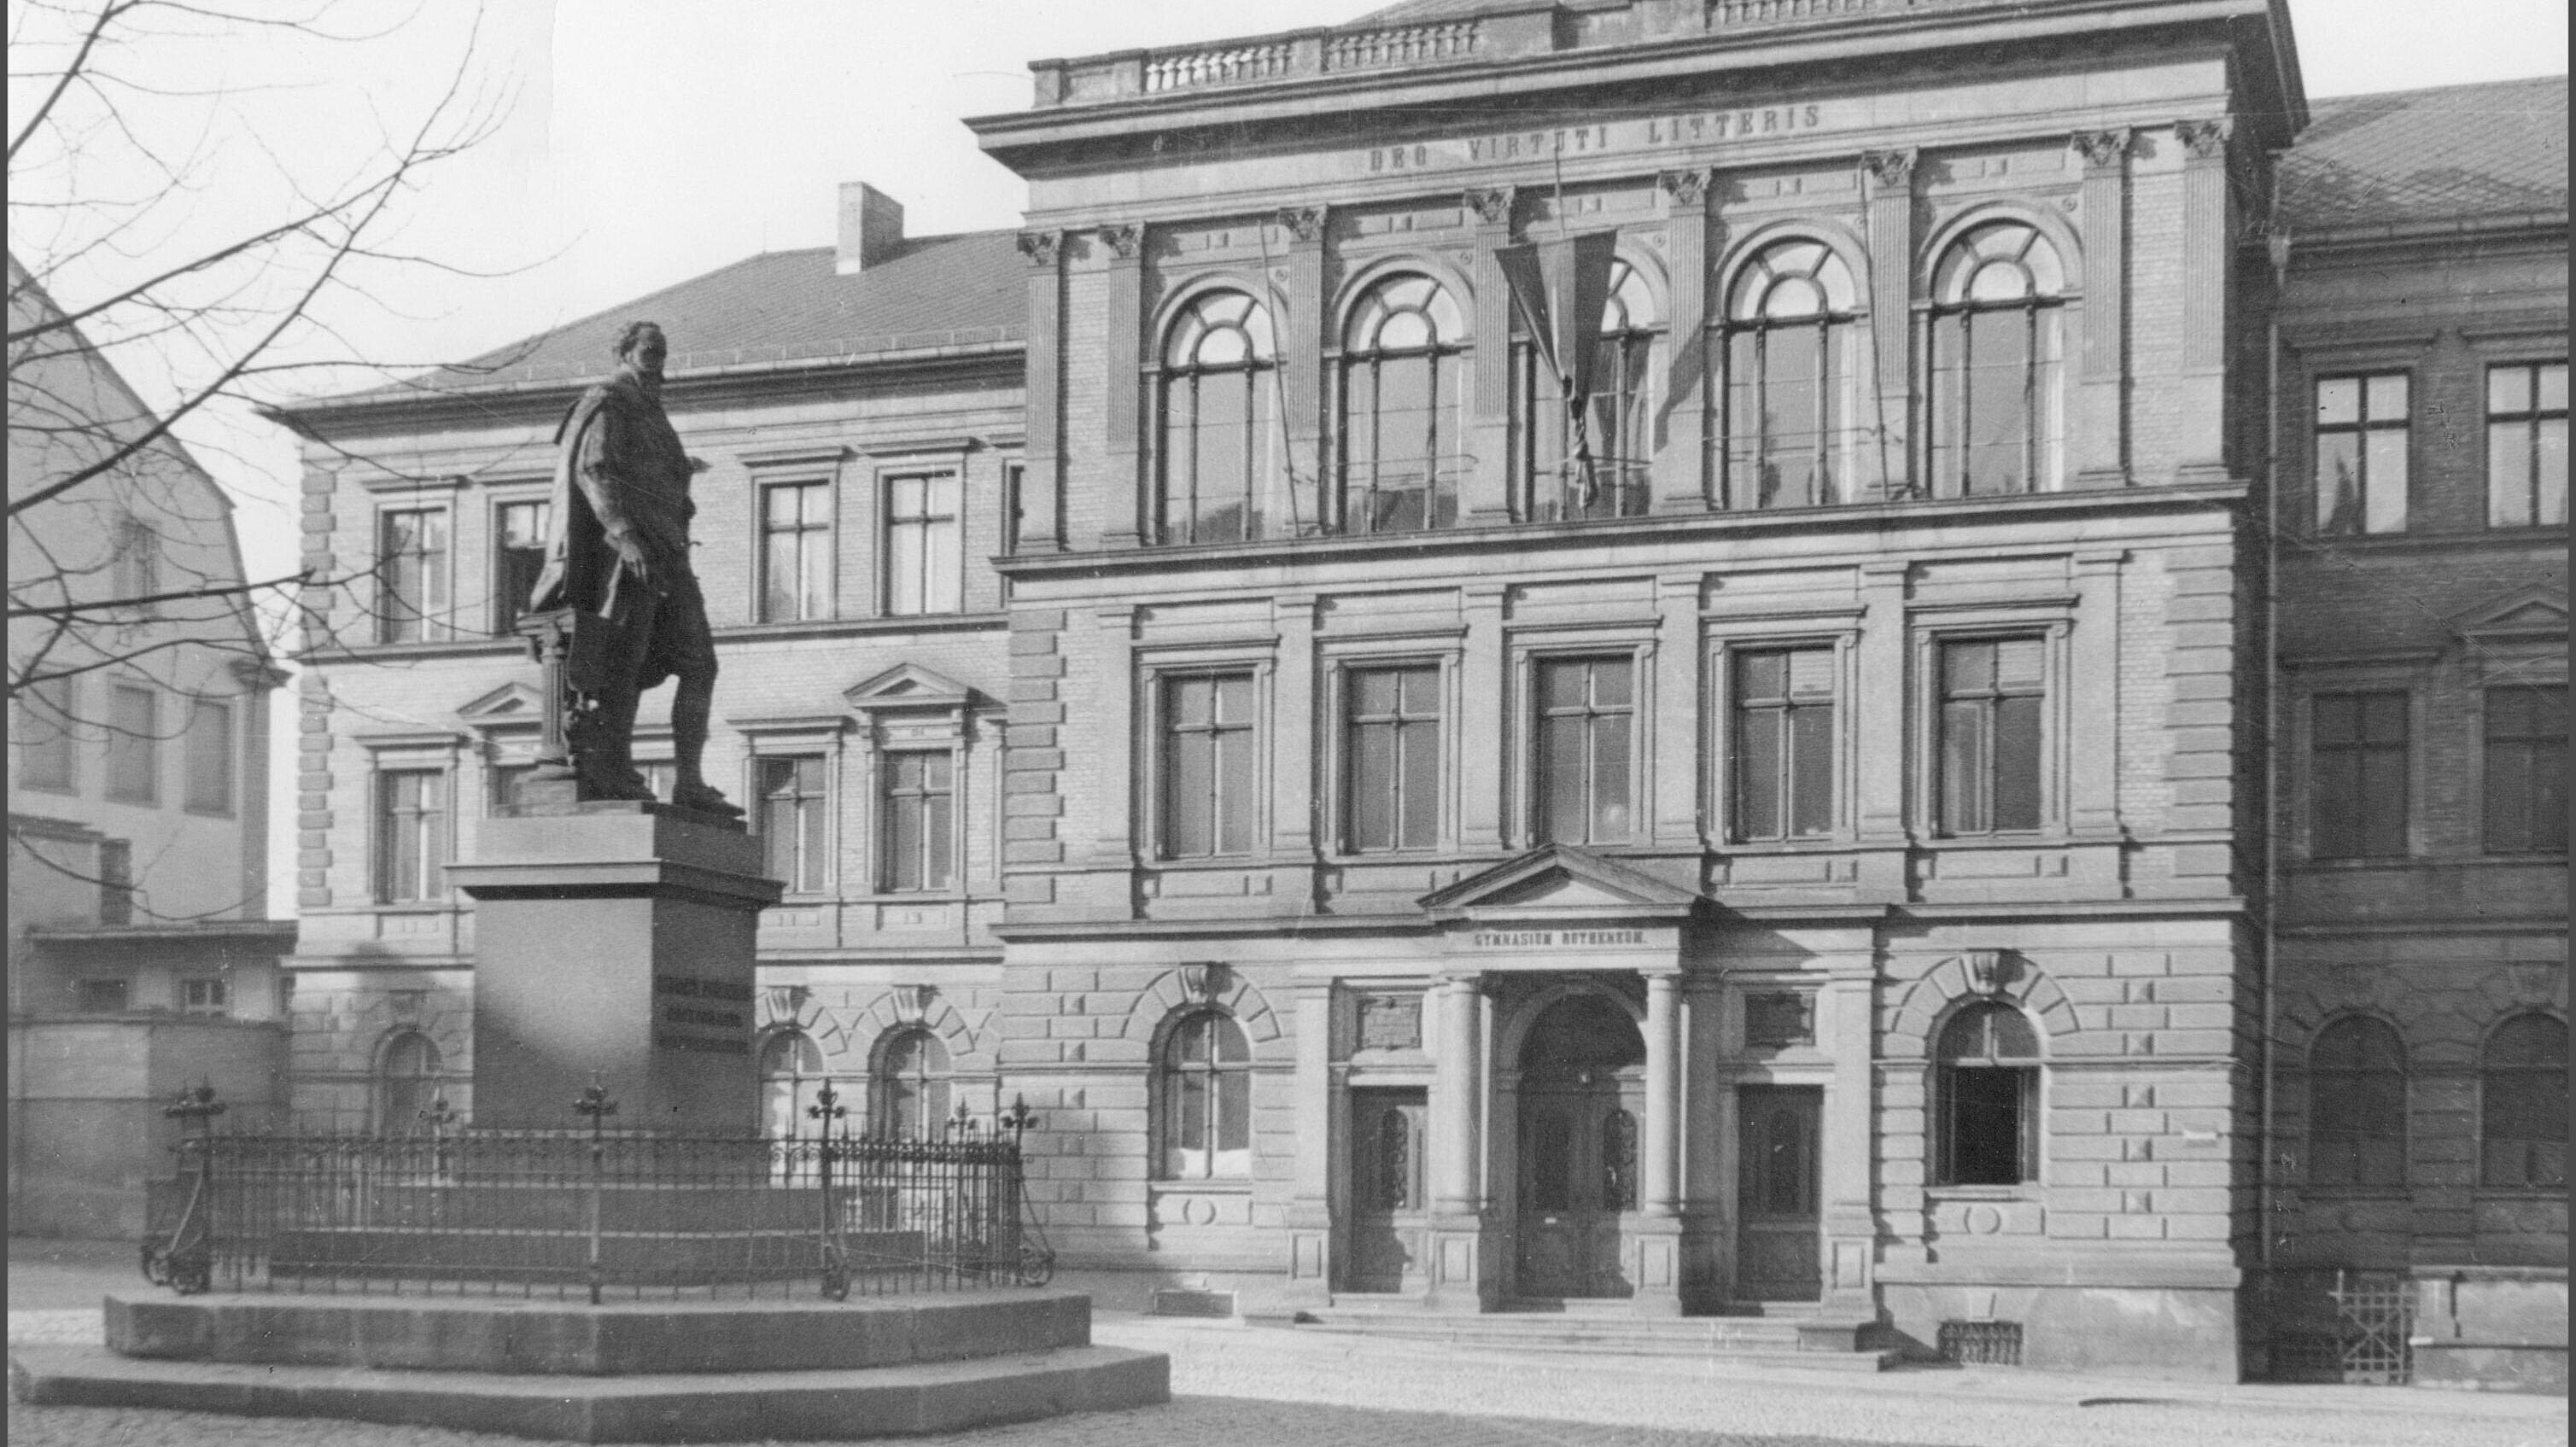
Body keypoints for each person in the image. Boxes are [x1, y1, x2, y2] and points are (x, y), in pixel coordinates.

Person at [528, 321, 742, 817]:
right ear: (625, 352)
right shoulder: (610, 399)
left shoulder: (651, 410)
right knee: (623, 662)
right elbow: (594, 469)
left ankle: (689, 780)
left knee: (700, 664)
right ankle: (616, 768)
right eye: (649, 350)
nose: (658, 358)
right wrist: (624, 535)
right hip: (626, 553)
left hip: (669, 550)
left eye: (663, 351)